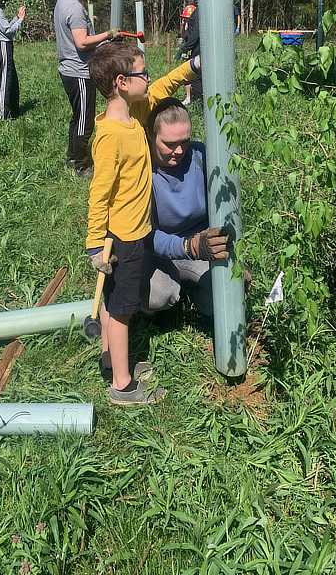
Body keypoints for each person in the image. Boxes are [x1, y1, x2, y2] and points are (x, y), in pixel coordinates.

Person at [86, 45, 200, 406]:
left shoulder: (132, 116)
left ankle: (112, 359)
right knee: (122, 309)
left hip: (135, 232)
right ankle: (123, 385)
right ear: (121, 82)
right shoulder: (110, 136)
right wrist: (94, 244)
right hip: (126, 237)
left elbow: (163, 87)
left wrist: (192, 68)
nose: (148, 79)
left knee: (115, 300)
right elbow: (99, 193)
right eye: (142, 73)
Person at [145, 98, 229, 317]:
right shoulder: (142, 171)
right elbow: (145, 235)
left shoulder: (201, 155)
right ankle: (158, 307)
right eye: (169, 144)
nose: (179, 150)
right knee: (158, 294)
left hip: (201, 245)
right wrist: (188, 246)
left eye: (185, 141)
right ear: (151, 137)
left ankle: (194, 294)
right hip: (159, 253)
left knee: (229, 291)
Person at [54, 0, 121, 176]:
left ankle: (72, 156)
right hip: (79, 72)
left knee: (77, 117)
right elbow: (82, 42)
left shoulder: (61, 3)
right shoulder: (73, 7)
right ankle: (81, 165)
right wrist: (109, 35)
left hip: (68, 69)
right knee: (85, 120)